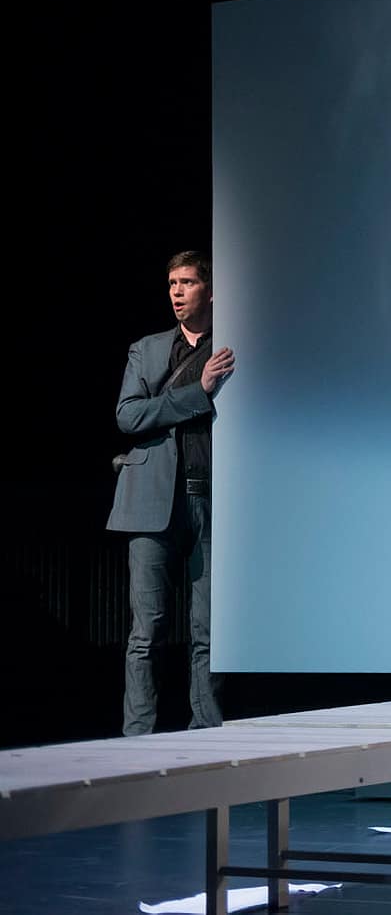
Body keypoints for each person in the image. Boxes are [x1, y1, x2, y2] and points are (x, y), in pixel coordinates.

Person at [108, 251, 234, 735]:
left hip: (213, 498)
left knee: (210, 630)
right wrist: (198, 391)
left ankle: (206, 731)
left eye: (187, 283)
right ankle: (137, 737)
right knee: (147, 630)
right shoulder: (147, 350)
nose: (177, 292)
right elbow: (128, 416)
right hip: (150, 499)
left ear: (210, 290)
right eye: (171, 284)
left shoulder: (230, 348)